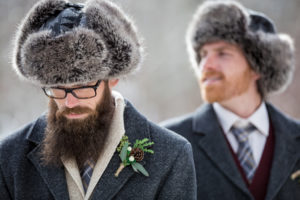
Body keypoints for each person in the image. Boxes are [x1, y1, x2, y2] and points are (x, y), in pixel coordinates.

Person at [0, 0, 197, 199]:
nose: (70, 103)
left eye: (82, 87)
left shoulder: (171, 155)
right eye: (58, 89)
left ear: (113, 79)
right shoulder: (9, 157)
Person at [162, 1, 300, 199]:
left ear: (258, 66)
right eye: (203, 54)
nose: (206, 65)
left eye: (222, 53)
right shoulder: (168, 143)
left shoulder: (296, 139)